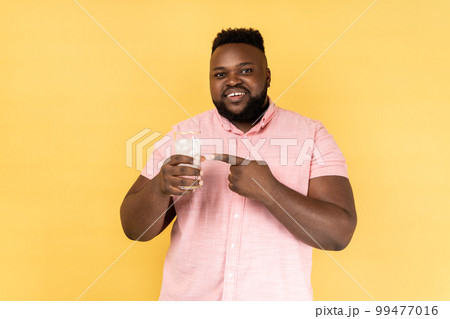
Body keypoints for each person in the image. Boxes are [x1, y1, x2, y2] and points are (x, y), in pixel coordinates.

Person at [120, 28, 357, 300]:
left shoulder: (311, 135)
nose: (232, 81)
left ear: (267, 75)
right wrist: (159, 189)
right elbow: (133, 230)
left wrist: (270, 192)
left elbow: (339, 234)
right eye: (220, 74)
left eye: (245, 71)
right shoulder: (183, 136)